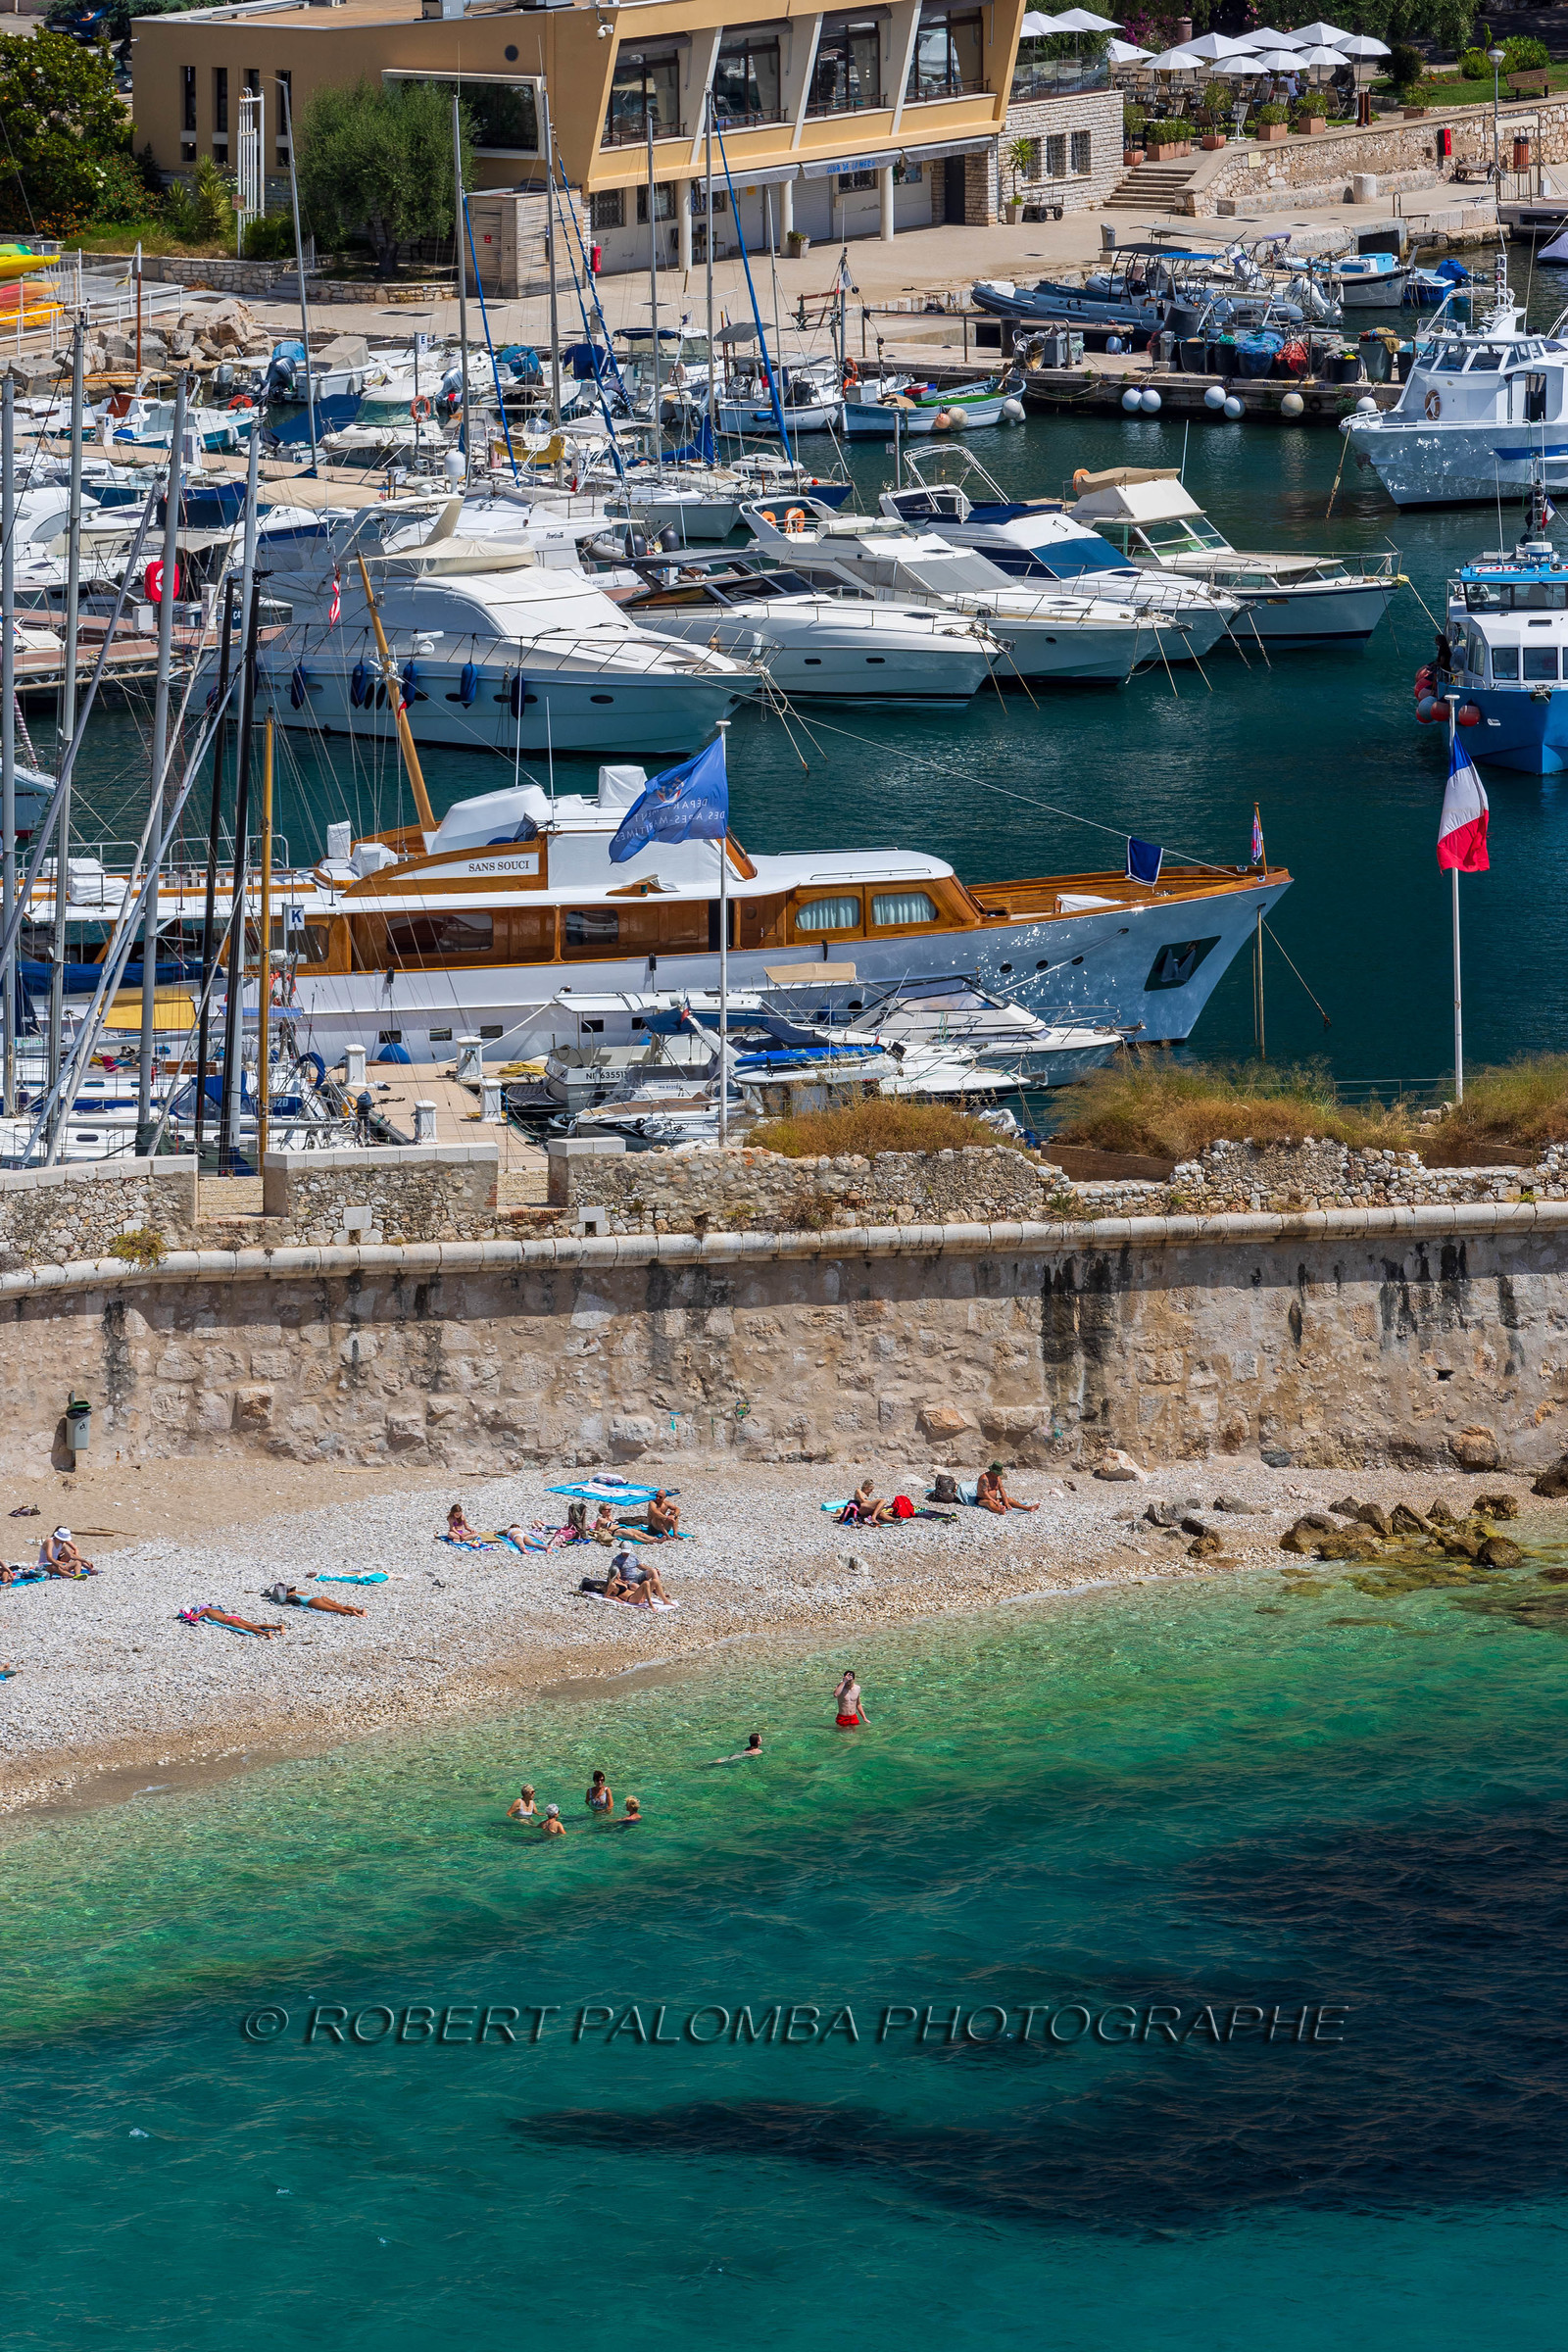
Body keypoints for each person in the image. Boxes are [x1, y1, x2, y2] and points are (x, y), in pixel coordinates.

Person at [265, 1583, 366, 1617]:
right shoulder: (301, 1592)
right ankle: (359, 1610)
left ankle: (352, 1614)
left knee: (334, 1610)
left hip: (312, 1601)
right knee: (340, 1606)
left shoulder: (291, 1594)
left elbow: (280, 1600)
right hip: (319, 1597)